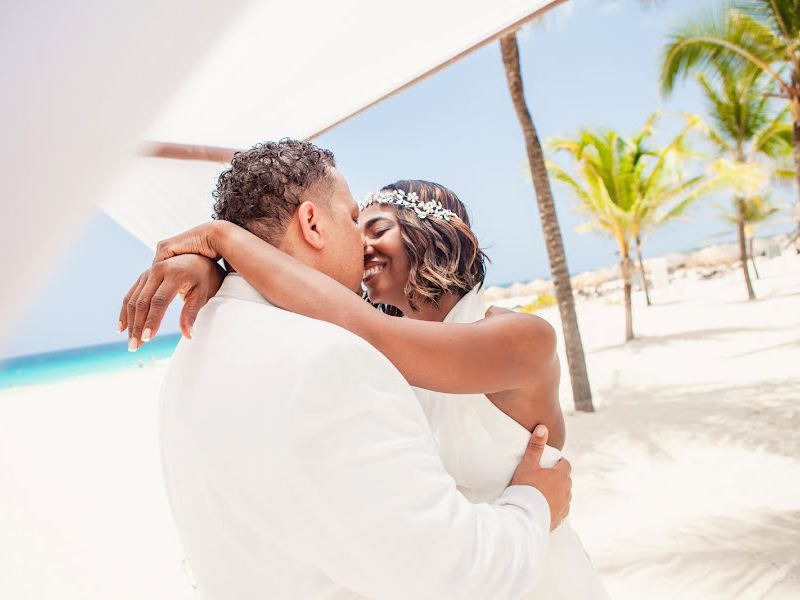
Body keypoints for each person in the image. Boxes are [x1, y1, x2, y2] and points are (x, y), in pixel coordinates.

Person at [130, 140, 572, 599]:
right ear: (312, 223)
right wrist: (218, 264)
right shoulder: (347, 355)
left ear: (431, 234)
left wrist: (225, 244)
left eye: (374, 226)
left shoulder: (515, 337)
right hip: (502, 553)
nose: (362, 242)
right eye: (354, 219)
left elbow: (368, 331)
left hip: (532, 569)